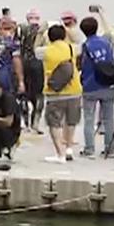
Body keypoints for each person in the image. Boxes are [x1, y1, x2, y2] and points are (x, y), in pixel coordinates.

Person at [39, 23, 82, 163]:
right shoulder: (71, 48)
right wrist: (68, 29)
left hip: (54, 92)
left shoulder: (45, 51)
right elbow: (79, 42)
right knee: (71, 121)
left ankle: (60, 153)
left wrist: (40, 33)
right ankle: (69, 148)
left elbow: (33, 49)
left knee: (54, 123)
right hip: (74, 90)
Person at [79, 16, 114, 157]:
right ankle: (110, 148)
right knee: (109, 118)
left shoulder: (86, 45)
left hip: (90, 85)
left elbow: (82, 64)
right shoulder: (106, 43)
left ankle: (89, 148)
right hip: (108, 83)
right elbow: (112, 60)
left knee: (89, 118)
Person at [18, 9, 47, 132]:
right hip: (38, 65)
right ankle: (35, 123)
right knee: (39, 95)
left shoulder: (21, 29)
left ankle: (25, 123)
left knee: (23, 95)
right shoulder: (44, 31)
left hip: (23, 63)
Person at [0, 17, 25, 95]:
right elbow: (16, 61)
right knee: (8, 99)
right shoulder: (13, 44)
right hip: (7, 75)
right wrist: (21, 81)